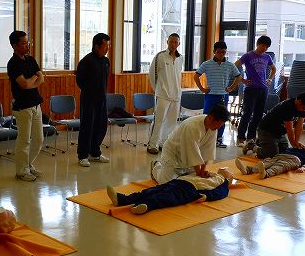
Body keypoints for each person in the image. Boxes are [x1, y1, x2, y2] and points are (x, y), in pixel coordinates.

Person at [151, 104, 230, 184]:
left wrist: (203, 170)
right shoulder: (191, 126)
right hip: (172, 154)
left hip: (188, 157)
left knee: (191, 182)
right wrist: (198, 173)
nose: (218, 127)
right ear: (210, 118)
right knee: (167, 184)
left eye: (221, 125)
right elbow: (191, 151)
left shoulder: (212, 127)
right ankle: (156, 167)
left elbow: (208, 150)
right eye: (218, 124)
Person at [106, 167, 233, 215]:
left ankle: (145, 206)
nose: (223, 169)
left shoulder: (223, 182)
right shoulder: (208, 173)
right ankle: (122, 199)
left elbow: (221, 193)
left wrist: (207, 196)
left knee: (166, 197)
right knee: (151, 190)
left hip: (191, 189)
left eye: (227, 170)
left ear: (229, 178)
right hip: (179, 181)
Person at [7, 30, 44, 182]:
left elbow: (41, 79)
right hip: (23, 107)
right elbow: (24, 84)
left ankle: (28, 165)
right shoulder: (13, 63)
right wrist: (35, 77)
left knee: (39, 139)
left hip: (36, 104)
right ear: (15, 46)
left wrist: (32, 80)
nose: (27, 45)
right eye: (23, 43)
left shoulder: (30, 59)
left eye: (27, 42)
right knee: (24, 140)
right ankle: (21, 171)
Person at [194, 41, 242, 148]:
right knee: (207, 117)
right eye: (219, 52)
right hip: (210, 95)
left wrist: (231, 88)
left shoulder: (230, 65)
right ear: (214, 52)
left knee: (222, 118)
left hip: (223, 95)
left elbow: (239, 77)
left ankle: (218, 139)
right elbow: (196, 76)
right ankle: (204, 138)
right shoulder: (206, 64)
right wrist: (202, 88)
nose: (221, 54)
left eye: (223, 52)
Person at [234, 35, 276, 153]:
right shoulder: (248, 55)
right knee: (247, 113)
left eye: (267, 47)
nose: (265, 49)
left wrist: (270, 79)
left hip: (263, 89)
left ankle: (251, 138)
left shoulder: (267, 57)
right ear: (258, 44)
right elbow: (234, 66)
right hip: (250, 89)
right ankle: (240, 138)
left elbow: (274, 68)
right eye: (263, 46)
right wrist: (242, 80)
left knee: (258, 115)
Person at [76, 32, 111, 167]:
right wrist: (91, 91)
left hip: (102, 99)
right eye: (105, 46)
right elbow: (80, 81)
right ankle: (83, 155)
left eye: (108, 46)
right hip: (89, 100)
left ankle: (95, 152)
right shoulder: (86, 61)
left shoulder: (106, 61)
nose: (107, 48)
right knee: (87, 127)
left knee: (101, 126)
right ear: (96, 46)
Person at [147, 33, 184, 155]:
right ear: (167, 42)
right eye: (171, 41)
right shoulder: (160, 56)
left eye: (176, 42)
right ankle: (152, 145)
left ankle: (164, 143)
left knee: (172, 122)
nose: (173, 44)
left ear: (179, 43)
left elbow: (178, 76)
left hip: (176, 95)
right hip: (162, 95)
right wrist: (158, 89)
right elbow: (152, 75)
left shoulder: (180, 58)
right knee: (159, 120)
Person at [254, 92, 305, 159]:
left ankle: (262, 142)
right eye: (304, 108)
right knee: (272, 155)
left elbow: (299, 125)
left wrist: (297, 142)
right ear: (299, 102)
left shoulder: (303, 107)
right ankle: (252, 146)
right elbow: (289, 129)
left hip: (280, 132)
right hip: (267, 130)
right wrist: (294, 145)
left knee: (284, 152)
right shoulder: (288, 107)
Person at [234, 147, 305, 179]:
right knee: (267, 163)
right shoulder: (295, 149)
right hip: (280, 155)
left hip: (294, 160)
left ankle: (266, 174)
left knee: (281, 166)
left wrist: (304, 167)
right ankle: (248, 170)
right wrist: (271, 157)